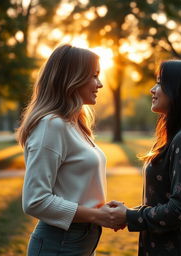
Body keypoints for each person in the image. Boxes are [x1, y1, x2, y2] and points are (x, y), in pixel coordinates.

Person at [108, 60, 181, 255]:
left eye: (160, 83)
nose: (153, 90)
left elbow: (180, 210)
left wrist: (129, 216)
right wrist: (129, 214)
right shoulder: (178, 136)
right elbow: (164, 200)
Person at [17, 44, 118, 256]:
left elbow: (75, 188)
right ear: (71, 79)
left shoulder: (75, 125)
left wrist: (100, 210)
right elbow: (35, 201)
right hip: (60, 242)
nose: (99, 84)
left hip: (79, 239)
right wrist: (95, 215)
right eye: (94, 76)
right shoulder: (50, 125)